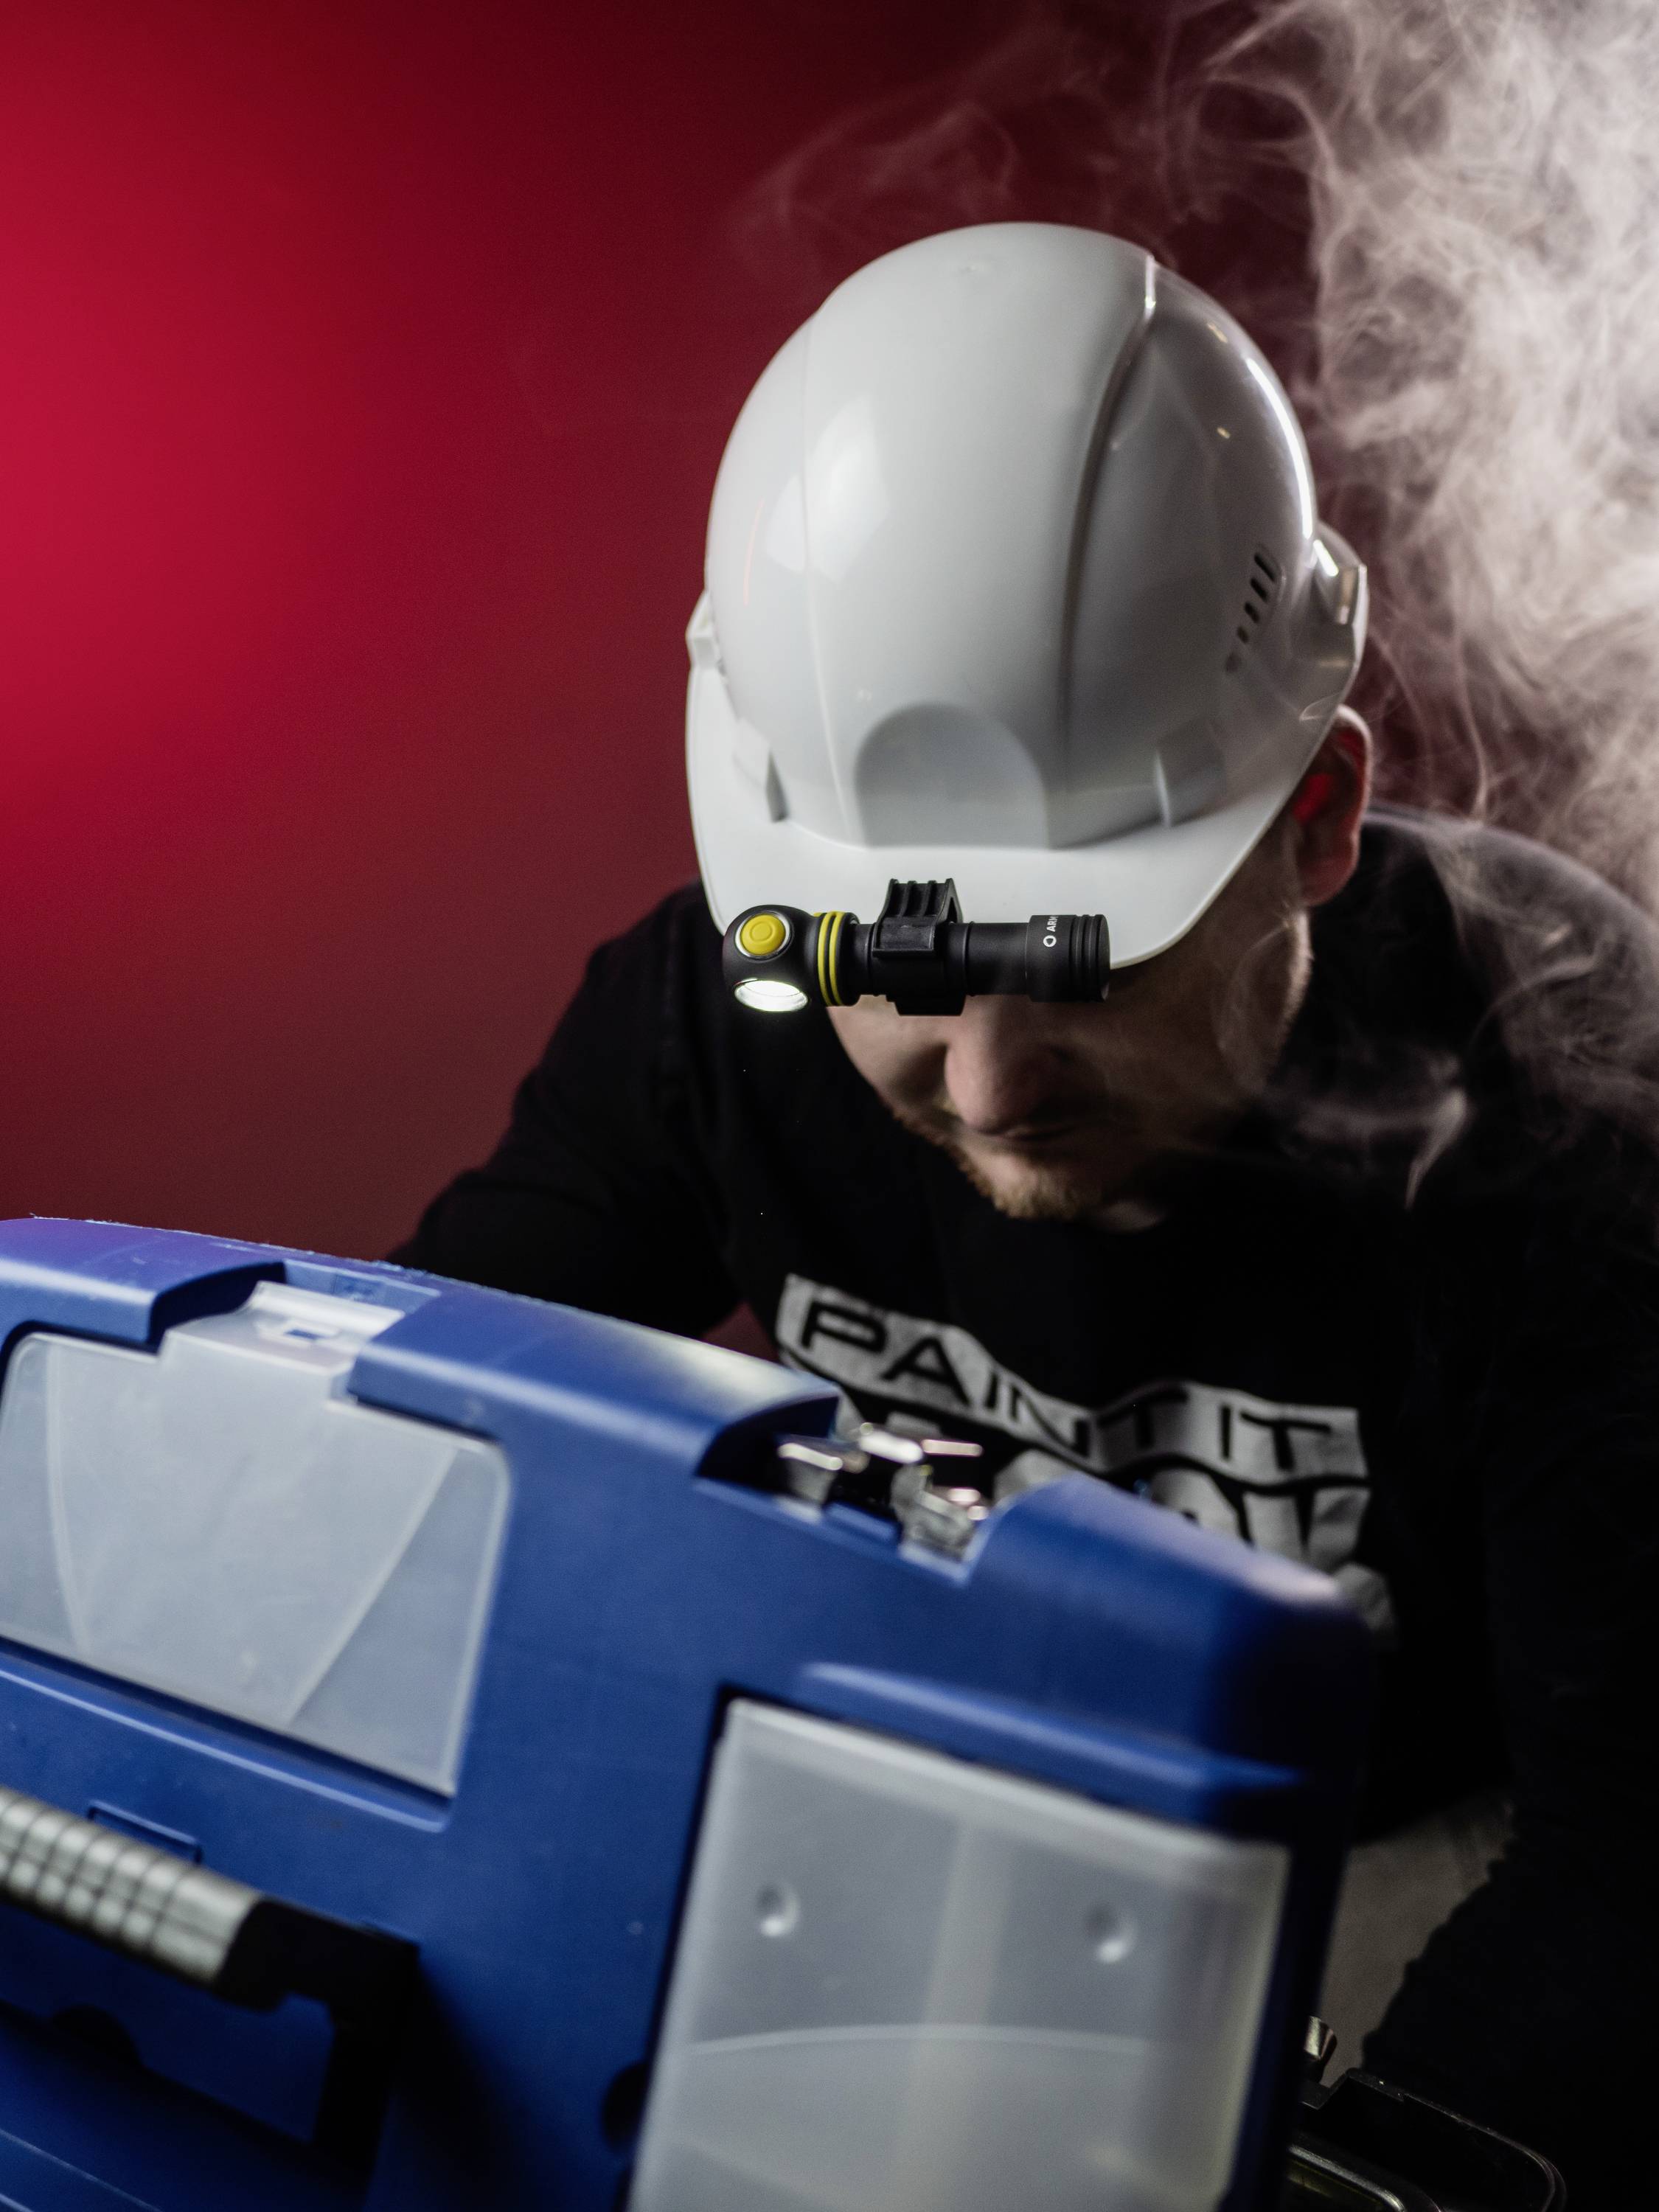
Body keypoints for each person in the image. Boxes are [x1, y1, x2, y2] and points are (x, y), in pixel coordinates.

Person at [395, 224, 1655, 2202]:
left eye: (1086, 969)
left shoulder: (1572, 1087)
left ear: (1312, 820)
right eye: (893, 971)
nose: (984, 1091)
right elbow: (411, 1466)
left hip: (1422, 1838)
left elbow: (1638, 1847)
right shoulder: (710, 1014)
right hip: (919, 1803)